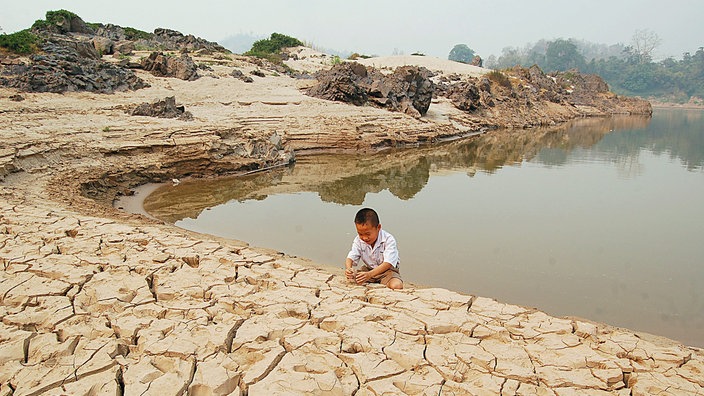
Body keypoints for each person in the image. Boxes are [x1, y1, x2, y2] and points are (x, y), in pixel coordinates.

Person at [345, 208, 403, 290]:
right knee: (353, 278)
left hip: (387, 272)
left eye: (368, 234)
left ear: (378, 227)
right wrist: (349, 269)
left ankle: (382, 282)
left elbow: (388, 263)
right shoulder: (358, 240)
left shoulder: (388, 239)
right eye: (360, 234)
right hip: (368, 269)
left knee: (396, 286)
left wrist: (370, 275)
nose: (364, 238)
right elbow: (351, 257)